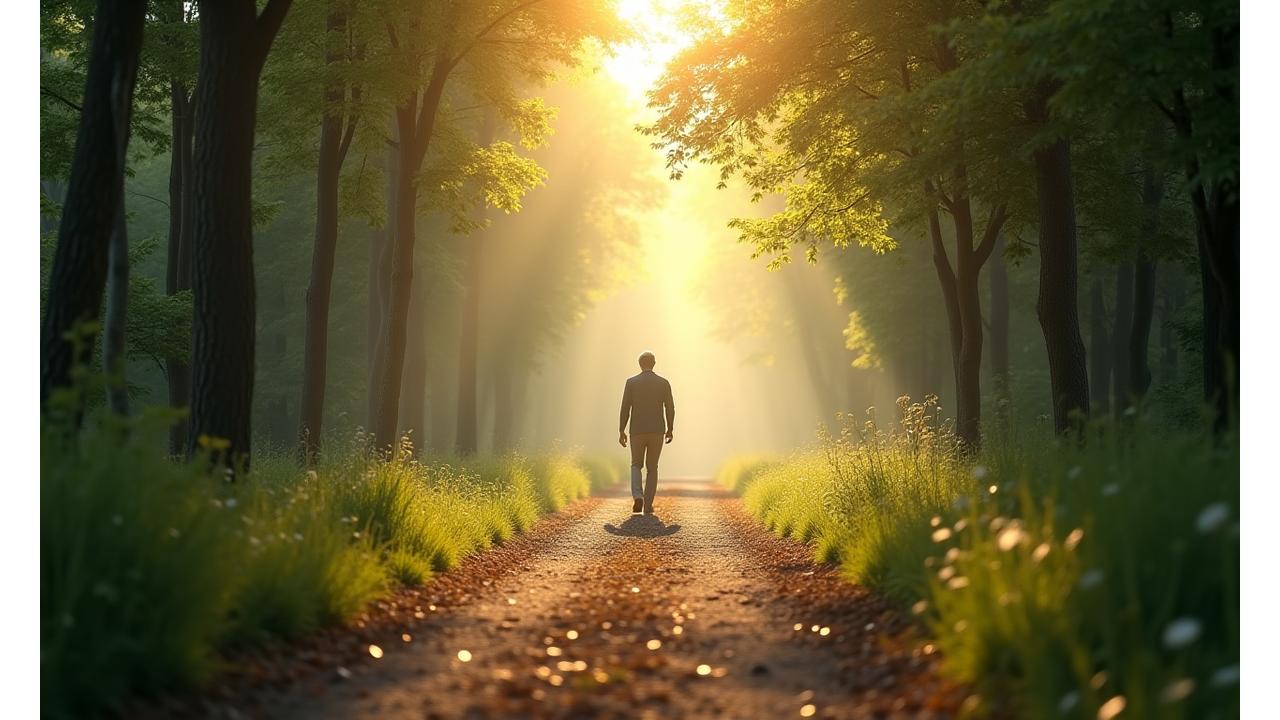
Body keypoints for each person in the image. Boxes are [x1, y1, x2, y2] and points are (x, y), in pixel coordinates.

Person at [618, 351, 674, 515]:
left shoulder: (631, 382)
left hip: (637, 430)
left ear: (640, 364)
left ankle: (638, 495)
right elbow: (670, 407)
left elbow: (625, 408)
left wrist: (621, 430)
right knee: (652, 467)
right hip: (657, 430)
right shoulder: (663, 383)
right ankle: (648, 504)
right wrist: (670, 429)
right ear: (654, 364)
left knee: (636, 464)